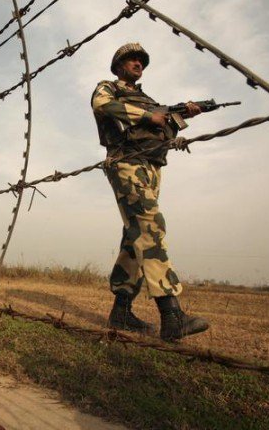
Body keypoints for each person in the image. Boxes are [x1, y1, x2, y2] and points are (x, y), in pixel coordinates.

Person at [90, 42, 209, 342]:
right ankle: (172, 315)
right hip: (125, 162)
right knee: (151, 228)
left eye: (140, 60)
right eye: (131, 60)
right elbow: (101, 105)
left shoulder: (148, 99)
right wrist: (148, 116)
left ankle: (121, 312)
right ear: (118, 66)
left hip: (152, 166)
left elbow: (161, 130)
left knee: (136, 235)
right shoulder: (109, 88)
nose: (137, 63)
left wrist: (181, 118)